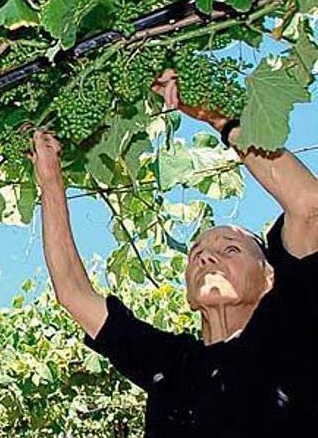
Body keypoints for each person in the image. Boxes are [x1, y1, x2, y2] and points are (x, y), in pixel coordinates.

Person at [31, 69, 318, 437]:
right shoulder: (173, 364)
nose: (207, 258)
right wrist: (51, 182)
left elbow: (309, 207)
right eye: (197, 253)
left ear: (269, 276)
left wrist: (219, 118)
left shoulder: (292, 324)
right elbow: (73, 294)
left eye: (230, 249)